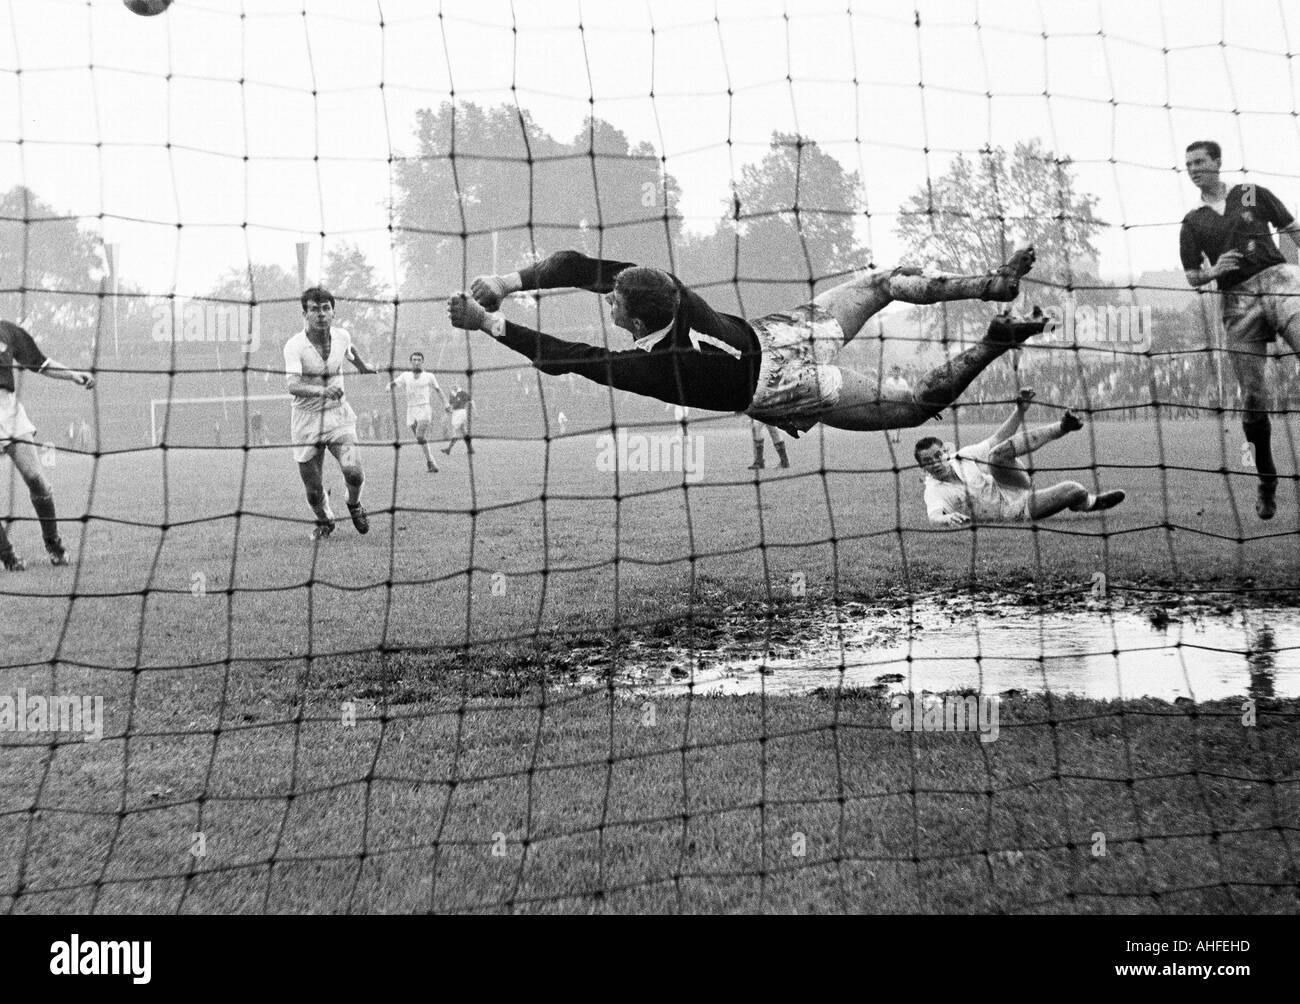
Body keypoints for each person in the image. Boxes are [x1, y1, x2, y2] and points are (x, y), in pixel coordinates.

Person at [447, 247, 1046, 439]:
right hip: (784, 330)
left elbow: (569, 359)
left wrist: (489, 321)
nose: (606, 299)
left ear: (634, 322)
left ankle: (994, 331)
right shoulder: (669, 288)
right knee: (883, 282)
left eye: (613, 302)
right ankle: (990, 286)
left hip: (784, 383)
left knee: (916, 405)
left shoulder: (657, 368)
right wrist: (508, 283)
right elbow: (580, 266)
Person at [1180, 139, 1300, 519]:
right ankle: (1266, 478)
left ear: (1217, 161)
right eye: (1188, 164)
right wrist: (1213, 272)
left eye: (1199, 161)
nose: (1193, 168)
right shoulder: (1192, 221)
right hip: (1236, 299)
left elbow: (1293, 229)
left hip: (1278, 279)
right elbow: (1192, 276)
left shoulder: (1252, 193)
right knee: (1252, 395)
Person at [915, 389, 1126, 525]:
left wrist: (1020, 411)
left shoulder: (963, 457)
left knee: (997, 453)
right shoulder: (934, 490)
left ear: (945, 453)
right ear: (923, 468)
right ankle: (1089, 503)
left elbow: (1000, 437)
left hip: (1011, 483)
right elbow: (933, 514)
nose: (934, 463)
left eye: (936, 456)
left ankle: (1063, 426)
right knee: (1074, 489)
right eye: (927, 462)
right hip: (1012, 511)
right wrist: (946, 518)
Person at [0, 318, 96, 569]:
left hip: (9, 414)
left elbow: (40, 363)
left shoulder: (7, 331)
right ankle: (8, 557)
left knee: (35, 478)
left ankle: (54, 546)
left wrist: (73, 375)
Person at [283, 286, 377, 540]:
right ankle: (326, 520)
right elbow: (292, 385)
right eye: (314, 309)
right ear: (305, 314)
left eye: (326, 308)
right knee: (313, 492)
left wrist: (362, 366)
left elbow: (350, 351)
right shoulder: (295, 346)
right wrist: (321, 391)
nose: (321, 314)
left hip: (338, 418)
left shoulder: (342, 336)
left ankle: (354, 503)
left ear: (333, 313)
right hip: (306, 423)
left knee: (353, 471)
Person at [389, 351, 446, 472]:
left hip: (424, 408)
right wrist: (389, 386)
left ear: (422, 362)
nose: (416, 362)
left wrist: (445, 403)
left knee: (420, 435)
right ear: (411, 362)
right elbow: (395, 383)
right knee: (420, 439)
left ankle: (431, 462)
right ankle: (431, 463)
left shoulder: (429, 376)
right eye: (414, 360)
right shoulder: (405, 375)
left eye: (419, 360)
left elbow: (438, 390)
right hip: (411, 410)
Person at [882, 365, 913, 444]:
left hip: (900, 403)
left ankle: (897, 438)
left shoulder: (903, 382)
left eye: (897, 371)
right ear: (892, 372)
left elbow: (906, 392)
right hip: (891, 402)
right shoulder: (888, 381)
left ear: (899, 372)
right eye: (894, 371)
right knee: (892, 420)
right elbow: (885, 391)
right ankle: (893, 437)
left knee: (899, 420)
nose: (896, 373)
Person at [441, 385, 475, 455]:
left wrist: (475, 411)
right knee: (463, 431)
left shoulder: (462, 393)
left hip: (460, 413)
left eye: (455, 386)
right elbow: (451, 407)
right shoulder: (452, 395)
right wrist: (448, 410)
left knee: (455, 432)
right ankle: (470, 449)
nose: (454, 387)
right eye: (452, 386)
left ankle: (448, 449)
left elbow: (471, 400)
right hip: (456, 414)